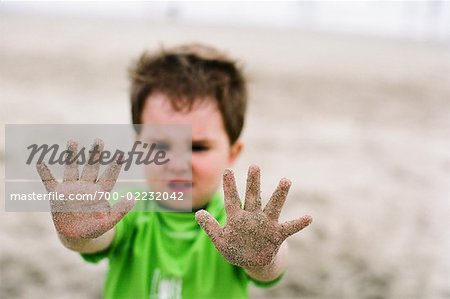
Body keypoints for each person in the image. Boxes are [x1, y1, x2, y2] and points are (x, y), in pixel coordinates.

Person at [36, 43, 312, 299]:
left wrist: (263, 255)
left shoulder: (238, 226)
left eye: (198, 147)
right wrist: (77, 230)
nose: (178, 162)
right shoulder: (126, 210)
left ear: (232, 153)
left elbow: (271, 270)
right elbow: (94, 241)